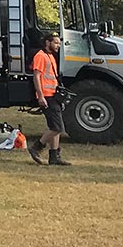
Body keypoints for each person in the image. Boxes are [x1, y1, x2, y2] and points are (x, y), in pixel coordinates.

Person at [27, 33, 71, 166]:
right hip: (47, 96)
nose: (58, 45)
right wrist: (40, 96)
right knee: (57, 127)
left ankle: (54, 157)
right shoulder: (40, 56)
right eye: (56, 43)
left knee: (54, 127)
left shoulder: (50, 56)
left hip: (53, 95)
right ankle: (36, 147)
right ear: (47, 42)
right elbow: (36, 76)